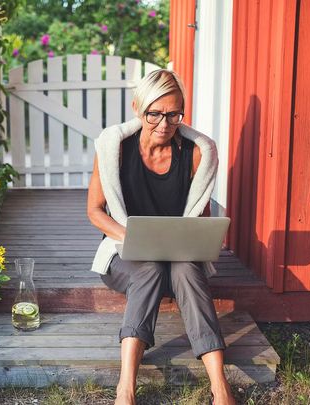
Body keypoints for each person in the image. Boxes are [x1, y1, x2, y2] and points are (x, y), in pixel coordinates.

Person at [86, 69, 236, 405]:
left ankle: (220, 388)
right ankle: (126, 388)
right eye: (155, 113)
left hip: (179, 256)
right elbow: (95, 211)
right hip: (127, 255)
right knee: (150, 268)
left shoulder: (197, 152)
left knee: (185, 269)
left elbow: (200, 215)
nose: (164, 123)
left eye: (173, 114)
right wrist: (131, 237)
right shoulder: (115, 148)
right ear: (138, 107)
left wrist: (201, 238)